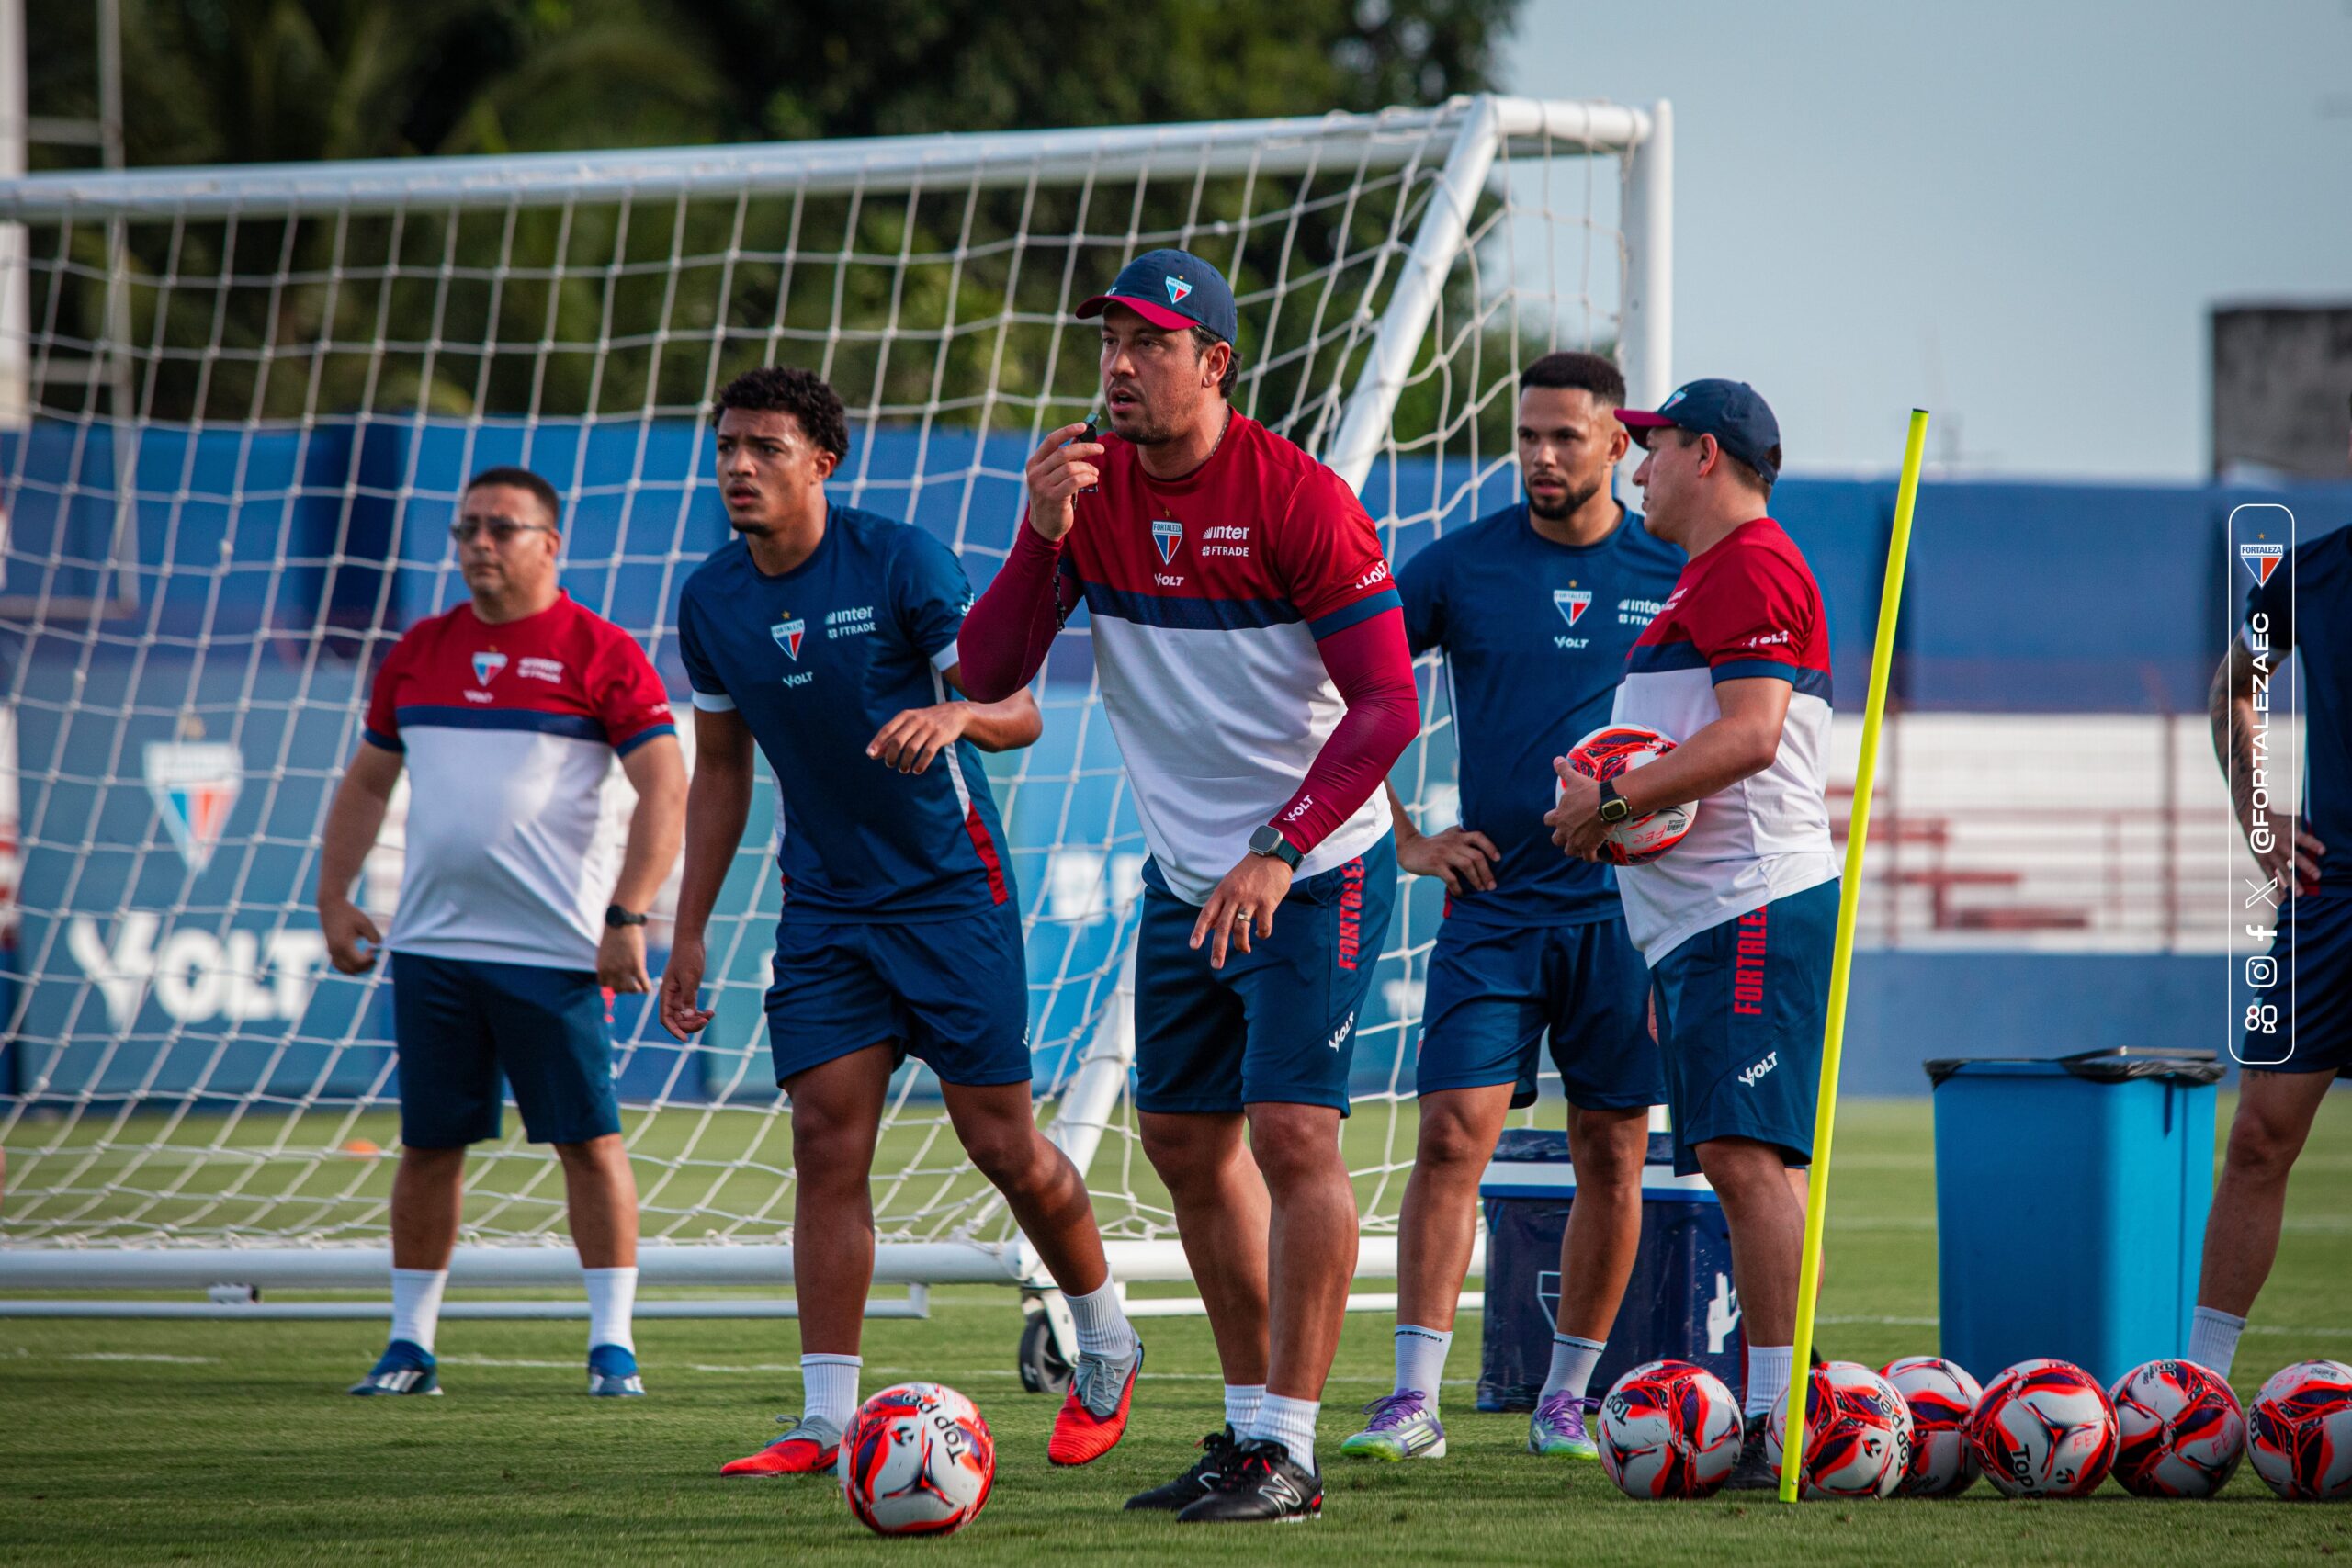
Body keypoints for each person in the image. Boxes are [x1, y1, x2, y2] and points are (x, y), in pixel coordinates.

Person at [959, 249, 1420, 1523]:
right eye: (1109, 342)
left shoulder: (1301, 499)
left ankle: (1292, 1451)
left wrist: (1283, 843)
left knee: (1294, 1134)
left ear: (1215, 363)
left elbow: (1389, 703)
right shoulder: (1084, 487)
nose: (1118, 365)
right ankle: (1247, 1429)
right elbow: (987, 673)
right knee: (1179, 1139)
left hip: (1313, 864)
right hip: (1185, 877)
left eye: (1149, 344)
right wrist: (1039, 536)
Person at [658, 367, 1142, 1478]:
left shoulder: (900, 561)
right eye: (727, 447)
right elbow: (721, 770)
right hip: (826, 908)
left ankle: (1108, 1340)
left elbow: (1018, 708)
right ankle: (826, 1421)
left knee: (1002, 1145)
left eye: (766, 448)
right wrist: (687, 930)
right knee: (825, 1142)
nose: (738, 466)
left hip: (949, 891)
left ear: (822, 464)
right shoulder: (711, 599)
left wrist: (956, 712)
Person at [1337, 352, 1679, 1466]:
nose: (1540, 455)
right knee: (1448, 1137)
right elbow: (1341, 687)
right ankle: (1411, 1401)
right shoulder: (1459, 566)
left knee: (1612, 1152)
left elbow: (1735, 724)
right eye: (1527, 435)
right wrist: (1406, 837)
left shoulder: (1674, 568)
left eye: (1564, 436)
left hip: (1626, 918)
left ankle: (1565, 1401)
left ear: (1616, 444)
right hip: (1491, 908)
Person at [319, 466, 687, 1399]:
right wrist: (332, 894)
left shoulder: (601, 651)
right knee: (428, 1145)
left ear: (550, 543)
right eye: (467, 528)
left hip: (555, 952)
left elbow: (665, 786)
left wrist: (628, 913)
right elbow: (367, 782)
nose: (479, 543)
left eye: (502, 528)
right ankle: (409, 1345)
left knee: (589, 1141)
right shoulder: (418, 651)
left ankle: (612, 1349)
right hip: (432, 948)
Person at [1545, 378, 1835, 1489]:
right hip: (1707, 917)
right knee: (1744, 1159)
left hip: (1747, 903)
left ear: (1705, 454)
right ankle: (1789, 1402)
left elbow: (1751, 735)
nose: (1636, 468)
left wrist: (1611, 804)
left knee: (1743, 1160)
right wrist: (1607, 804)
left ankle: (1774, 1421)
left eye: (1652, 446)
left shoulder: (1750, 562)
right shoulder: (1709, 573)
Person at [2188, 401, 2347, 1380]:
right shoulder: (2307, 575)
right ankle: (2197, 1394)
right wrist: (2258, 814)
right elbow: (2233, 688)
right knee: (2257, 1136)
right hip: (2330, 898)